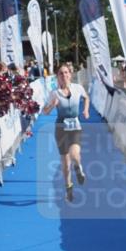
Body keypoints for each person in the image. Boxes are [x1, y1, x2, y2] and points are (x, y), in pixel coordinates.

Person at [42, 64, 90, 203]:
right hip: (61, 128)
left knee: (75, 154)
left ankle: (79, 168)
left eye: (66, 72)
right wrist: (52, 104)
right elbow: (45, 111)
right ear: (58, 77)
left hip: (75, 126)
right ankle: (68, 188)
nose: (64, 75)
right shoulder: (54, 93)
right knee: (65, 162)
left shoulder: (77, 88)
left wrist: (85, 110)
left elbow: (86, 98)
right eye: (61, 73)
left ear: (70, 74)